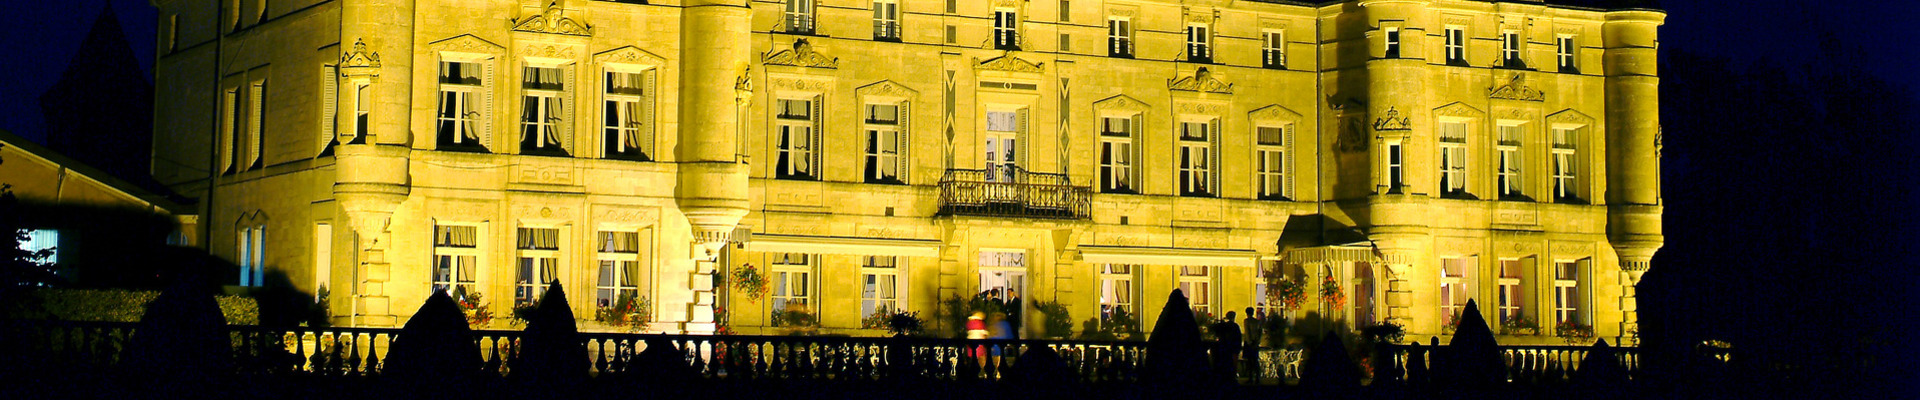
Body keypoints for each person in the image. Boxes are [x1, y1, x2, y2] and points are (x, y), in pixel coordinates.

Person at [1210, 311, 1242, 382]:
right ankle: (1233, 376)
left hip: (1227, 347)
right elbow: (1238, 337)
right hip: (1233, 347)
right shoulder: (1234, 326)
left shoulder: (1225, 325)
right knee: (1233, 363)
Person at [1242, 307, 1265, 383]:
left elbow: (1247, 332)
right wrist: (1257, 341)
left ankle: (1251, 377)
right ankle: (1257, 377)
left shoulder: (1247, 321)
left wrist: (1249, 342)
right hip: (1255, 342)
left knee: (1249, 361)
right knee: (1255, 361)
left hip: (1249, 343)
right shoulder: (1257, 322)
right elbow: (1260, 332)